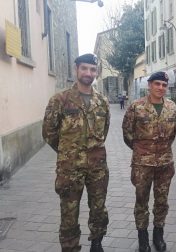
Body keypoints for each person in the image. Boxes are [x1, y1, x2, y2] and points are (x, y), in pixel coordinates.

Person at [42, 53, 110, 252]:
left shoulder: (102, 102)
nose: (88, 73)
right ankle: (71, 248)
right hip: (70, 169)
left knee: (98, 208)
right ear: (76, 70)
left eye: (92, 69)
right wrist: (68, 151)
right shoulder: (60, 100)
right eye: (84, 68)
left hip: (98, 167)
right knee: (69, 213)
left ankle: (97, 243)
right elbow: (49, 133)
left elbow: (103, 131)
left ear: (96, 73)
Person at [122, 71, 176, 252]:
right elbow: (127, 133)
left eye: (164, 85)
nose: (160, 88)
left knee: (162, 200)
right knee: (142, 200)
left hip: (164, 163)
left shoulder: (172, 107)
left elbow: (173, 133)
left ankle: (158, 234)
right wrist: (143, 151)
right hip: (142, 164)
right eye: (157, 84)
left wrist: (160, 150)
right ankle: (143, 237)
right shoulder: (136, 107)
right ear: (150, 85)